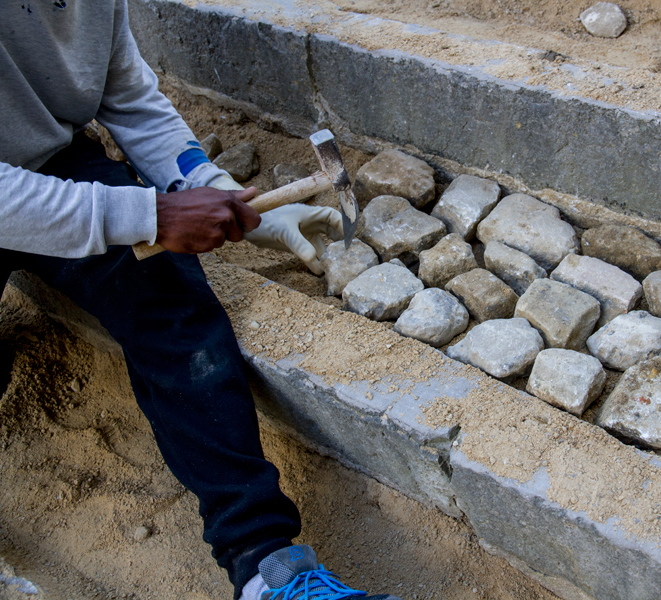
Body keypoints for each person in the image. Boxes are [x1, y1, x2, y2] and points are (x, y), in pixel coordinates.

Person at [0, 1, 400, 599]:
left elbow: (130, 98)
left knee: (172, 306)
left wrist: (210, 186)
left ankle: (264, 567)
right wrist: (147, 214)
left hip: (46, 161)